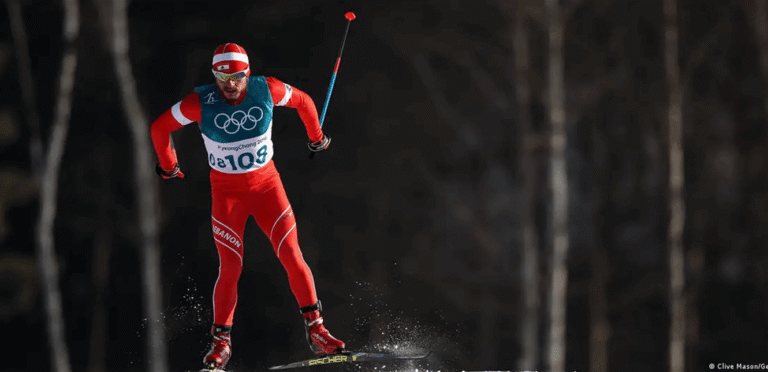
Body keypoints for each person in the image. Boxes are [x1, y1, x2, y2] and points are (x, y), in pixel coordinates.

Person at [150, 43, 346, 371]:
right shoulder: (199, 103)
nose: (229, 84)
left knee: (292, 255)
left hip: (268, 188)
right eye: (222, 77)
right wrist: (169, 165)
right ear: (214, 75)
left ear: (247, 73)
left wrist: (316, 135)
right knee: (230, 267)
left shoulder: (267, 89)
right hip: (228, 195)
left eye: (237, 77)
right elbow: (159, 127)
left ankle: (317, 331)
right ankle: (220, 344)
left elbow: (303, 101)